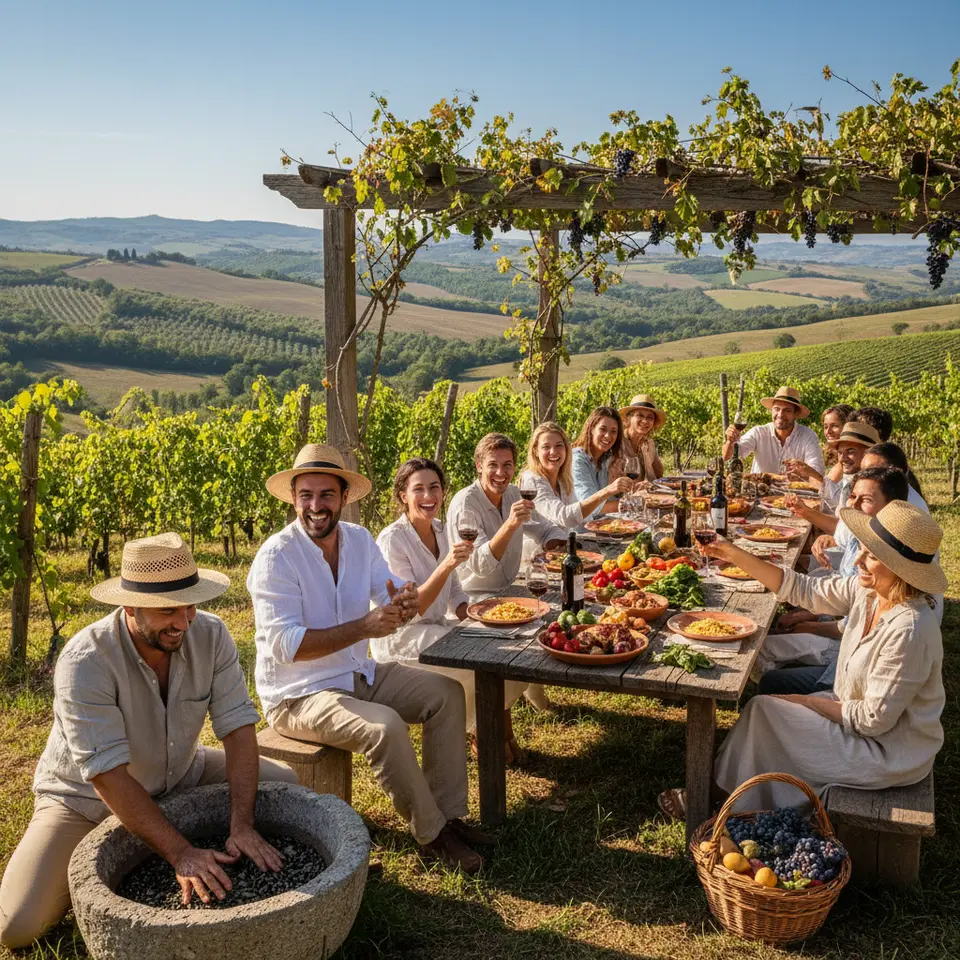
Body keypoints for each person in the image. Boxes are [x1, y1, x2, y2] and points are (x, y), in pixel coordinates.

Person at [0, 534, 298, 949]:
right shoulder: (86, 661)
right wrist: (182, 852)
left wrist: (242, 824)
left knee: (286, 783)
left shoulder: (211, 635)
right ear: (130, 606)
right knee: (17, 926)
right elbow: (107, 777)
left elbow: (238, 729)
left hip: (181, 773)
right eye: (167, 610)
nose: (183, 620)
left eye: (190, 604)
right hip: (83, 799)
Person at [247, 444, 493, 874]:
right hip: (299, 693)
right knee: (385, 727)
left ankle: (449, 815)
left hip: (356, 671)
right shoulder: (276, 557)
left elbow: (393, 588)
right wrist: (365, 627)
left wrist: (403, 598)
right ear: (293, 499)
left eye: (326, 495)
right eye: (306, 495)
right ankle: (432, 835)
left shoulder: (359, 541)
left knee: (446, 694)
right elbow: (286, 646)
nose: (316, 506)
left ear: (344, 498)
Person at [662, 501, 947, 815]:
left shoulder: (910, 630)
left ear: (900, 570)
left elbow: (871, 721)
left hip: (887, 752)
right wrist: (733, 554)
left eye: (872, 556)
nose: (859, 562)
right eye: (863, 550)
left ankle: (717, 802)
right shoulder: (871, 592)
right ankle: (729, 798)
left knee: (765, 711)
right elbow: (803, 588)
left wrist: (809, 702)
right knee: (764, 712)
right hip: (855, 719)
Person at [374, 458, 531, 763]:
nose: (428, 496)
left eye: (434, 487)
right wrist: (446, 565)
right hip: (403, 637)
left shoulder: (442, 529)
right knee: (481, 664)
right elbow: (408, 611)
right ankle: (486, 735)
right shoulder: (393, 540)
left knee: (512, 654)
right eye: (418, 489)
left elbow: (456, 592)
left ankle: (495, 732)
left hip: (437, 627)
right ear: (403, 496)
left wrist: (478, 617)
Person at [755, 467, 909, 689]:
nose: (852, 505)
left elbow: (848, 626)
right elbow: (812, 589)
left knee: (760, 655)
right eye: (852, 496)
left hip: (845, 659)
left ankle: (791, 687)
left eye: (864, 499)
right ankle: (783, 683)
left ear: (890, 507)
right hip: (838, 634)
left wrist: (809, 624)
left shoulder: (884, 566)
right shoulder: (864, 539)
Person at [448, 433, 567, 595]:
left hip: (512, 588)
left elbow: (547, 530)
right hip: (475, 598)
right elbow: (480, 565)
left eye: (507, 465)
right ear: (479, 466)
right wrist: (510, 525)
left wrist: (556, 548)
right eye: (492, 465)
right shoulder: (465, 505)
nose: (500, 472)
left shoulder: (513, 493)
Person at [519, 421, 632, 529]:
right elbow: (565, 517)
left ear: (566, 449)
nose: (553, 452)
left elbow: (584, 516)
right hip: (539, 548)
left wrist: (612, 525)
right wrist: (608, 491)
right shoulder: (532, 480)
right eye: (546, 447)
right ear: (535, 451)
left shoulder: (563, 479)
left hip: (565, 544)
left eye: (558, 446)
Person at [784, 422, 880, 535]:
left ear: (869, 453)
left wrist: (806, 512)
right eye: (840, 453)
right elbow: (841, 519)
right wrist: (804, 510)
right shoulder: (853, 478)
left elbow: (847, 534)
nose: (843, 459)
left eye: (851, 452)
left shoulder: (875, 486)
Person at [722, 386, 824, 478]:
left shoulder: (808, 436)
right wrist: (729, 442)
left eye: (787, 410)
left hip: (795, 494)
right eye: (776, 409)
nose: (780, 414)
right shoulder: (759, 432)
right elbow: (728, 457)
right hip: (760, 494)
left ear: (796, 414)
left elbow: (817, 472)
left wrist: (802, 470)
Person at [572, 406, 626, 519]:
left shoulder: (604, 458)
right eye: (603, 429)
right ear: (591, 429)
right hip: (581, 531)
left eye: (613, 432)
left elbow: (607, 500)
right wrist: (632, 505)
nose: (608, 436)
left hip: (601, 524)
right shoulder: (577, 460)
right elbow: (591, 506)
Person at [612, 394, 666, 483]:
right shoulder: (617, 442)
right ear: (629, 418)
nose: (645, 421)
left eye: (650, 417)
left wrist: (651, 453)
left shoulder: (648, 442)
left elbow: (659, 474)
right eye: (640, 415)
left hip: (645, 495)